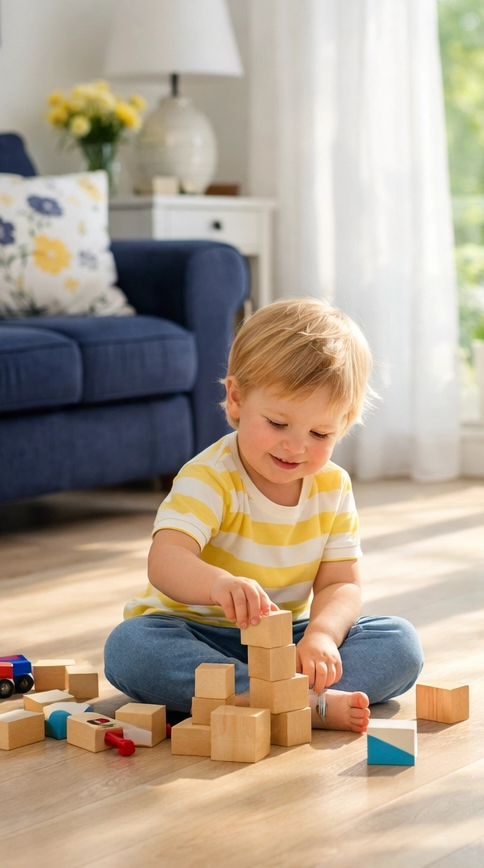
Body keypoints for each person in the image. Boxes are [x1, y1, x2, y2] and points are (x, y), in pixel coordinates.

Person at [104, 297, 423, 731]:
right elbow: (166, 559)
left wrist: (322, 636)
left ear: (344, 424)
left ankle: (276, 698)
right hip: (195, 632)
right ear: (236, 399)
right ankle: (296, 702)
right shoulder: (210, 476)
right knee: (130, 648)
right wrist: (218, 585)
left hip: (287, 641)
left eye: (320, 433)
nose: (295, 446)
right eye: (277, 423)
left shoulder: (333, 486)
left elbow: (341, 583)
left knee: (400, 642)